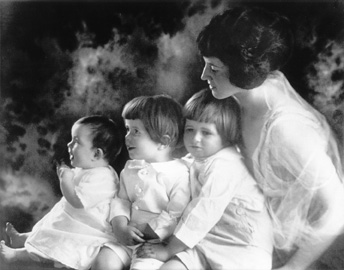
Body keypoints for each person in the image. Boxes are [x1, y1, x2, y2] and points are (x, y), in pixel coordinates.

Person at [194, 6, 344, 270]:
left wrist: (293, 268)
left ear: (243, 70)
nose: (204, 76)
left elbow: (338, 209)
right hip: (246, 231)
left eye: (214, 68)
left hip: (296, 252)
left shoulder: (287, 130)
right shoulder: (241, 97)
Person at [137, 88, 273, 269]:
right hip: (203, 240)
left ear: (226, 135)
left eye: (206, 133)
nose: (195, 138)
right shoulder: (196, 158)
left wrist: (169, 250)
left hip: (242, 246)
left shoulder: (226, 165)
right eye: (190, 129)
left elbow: (203, 213)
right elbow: (174, 176)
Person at [0, 115, 124, 270]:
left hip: (88, 229)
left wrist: (65, 181)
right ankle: (23, 239)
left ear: (96, 154)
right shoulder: (89, 169)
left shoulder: (103, 177)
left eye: (76, 142)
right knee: (50, 228)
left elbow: (76, 201)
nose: (69, 144)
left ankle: (16, 255)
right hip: (76, 219)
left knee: (59, 240)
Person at [91, 95, 190, 270]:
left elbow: (175, 214)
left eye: (136, 131)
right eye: (127, 129)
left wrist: (147, 233)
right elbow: (121, 200)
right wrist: (121, 226)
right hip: (127, 237)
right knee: (104, 260)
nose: (127, 137)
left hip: (155, 244)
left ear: (163, 141)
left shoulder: (180, 173)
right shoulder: (131, 168)